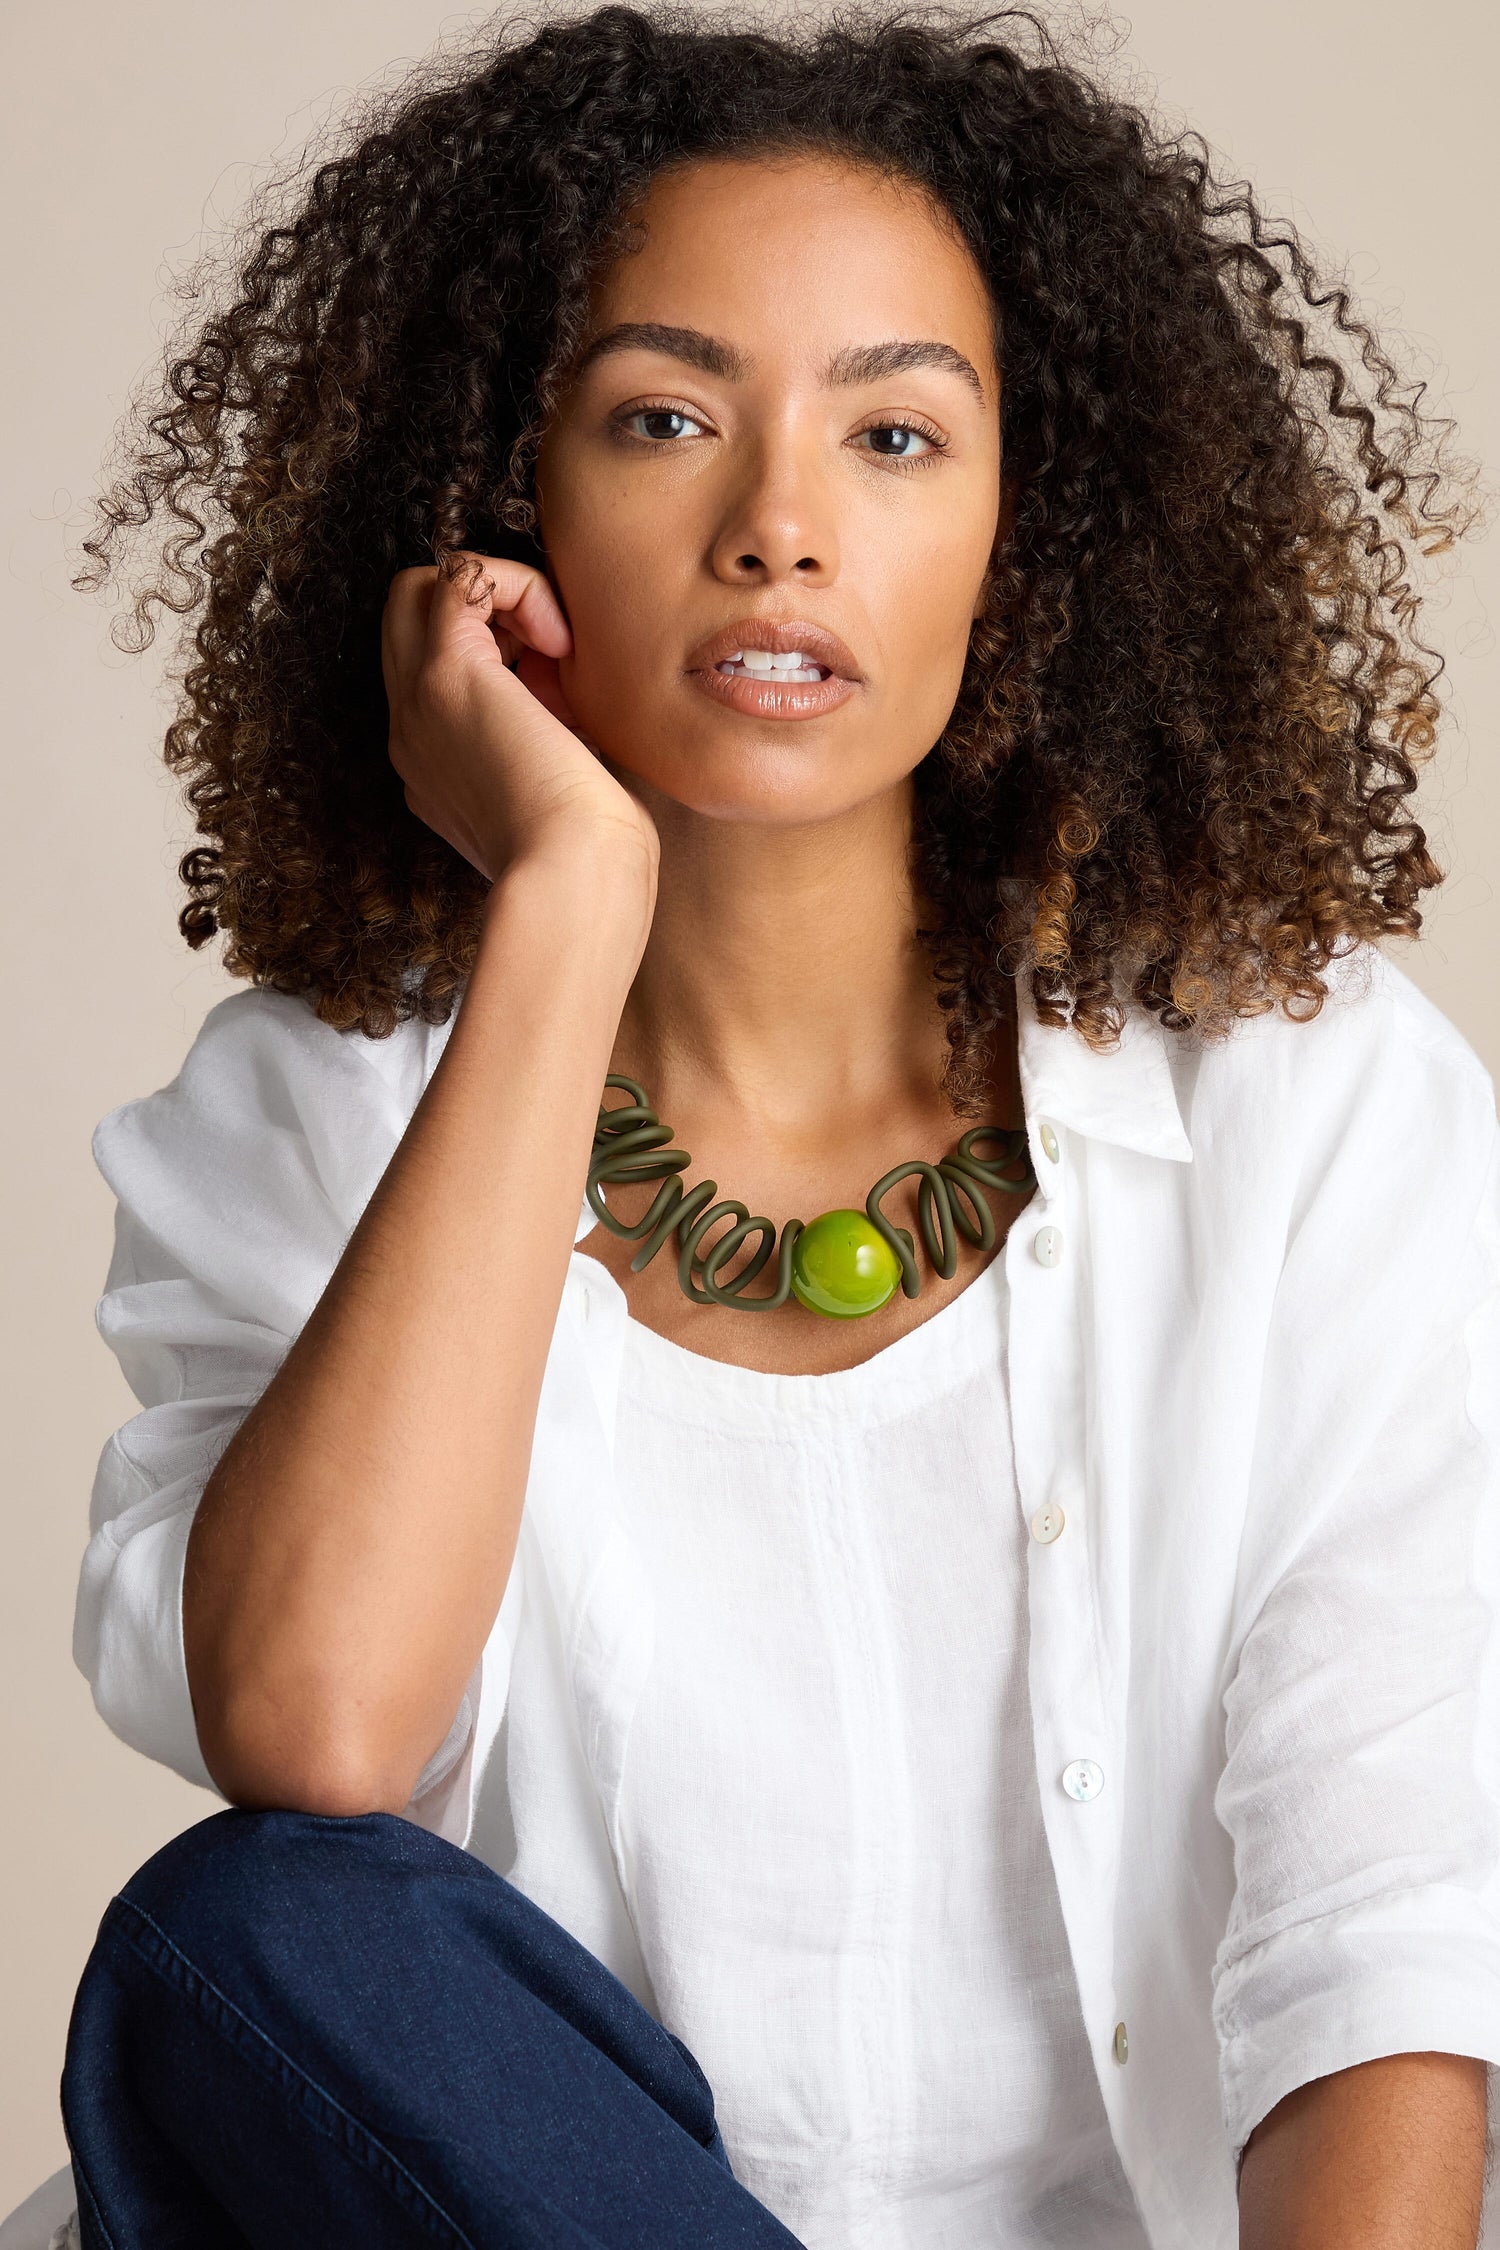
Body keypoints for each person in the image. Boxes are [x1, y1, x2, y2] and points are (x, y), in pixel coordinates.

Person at [30, 3, 1500, 2244]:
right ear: (499, 504)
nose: (781, 527)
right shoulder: (315, 1118)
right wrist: (568, 902)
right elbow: (315, 1731)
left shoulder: (1314, 1107)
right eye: (661, 418)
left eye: (897, 436)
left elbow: (1387, 1935)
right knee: (250, 1937)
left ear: (1035, 525)